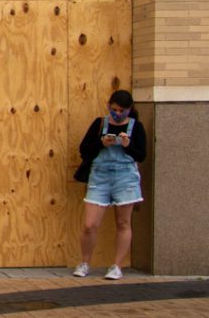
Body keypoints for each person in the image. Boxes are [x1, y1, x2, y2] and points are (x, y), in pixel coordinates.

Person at [73, 89, 147, 280]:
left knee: (123, 222)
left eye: (122, 110)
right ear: (109, 106)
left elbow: (141, 155)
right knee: (90, 224)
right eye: (114, 109)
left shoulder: (136, 126)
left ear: (129, 109)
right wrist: (101, 143)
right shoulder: (100, 123)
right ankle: (84, 262)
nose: (117, 113)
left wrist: (127, 145)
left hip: (125, 177)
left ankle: (117, 265)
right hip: (100, 176)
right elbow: (84, 150)